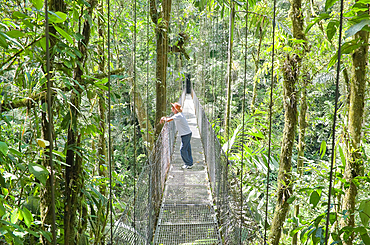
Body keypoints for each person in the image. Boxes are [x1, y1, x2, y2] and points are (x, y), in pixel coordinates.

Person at [160, 102, 193, 169]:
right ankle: (190, 163)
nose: (171, 109)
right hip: (187, 133)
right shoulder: (179, 115)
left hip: (185, 135)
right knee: (187, 149)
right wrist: (164, 118)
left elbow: (168, 120)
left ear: (175, 109)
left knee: (183, 150)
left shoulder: (178, 115)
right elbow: (169, 118)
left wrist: (163, 118)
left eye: (172, 108)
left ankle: (188, 164)